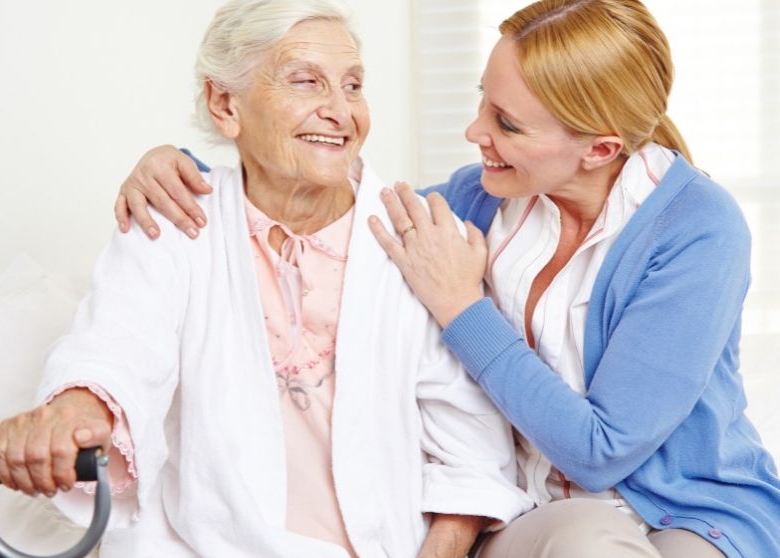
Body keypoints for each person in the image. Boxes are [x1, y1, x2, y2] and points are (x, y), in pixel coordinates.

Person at [114, 0, 780, 557]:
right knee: (584, 545)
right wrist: (179, 167)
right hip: (535, 516)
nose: (473, 133)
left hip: (687, 511)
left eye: (506, 124)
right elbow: (324, 193)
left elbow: (601, 452)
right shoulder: (479, 198)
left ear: (600, 149)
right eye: (482, 104)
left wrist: (462, 307)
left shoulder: (697, 229)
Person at [0, 1, 535, 556]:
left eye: (352, 85)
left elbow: (471, 449)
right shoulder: (172, 226)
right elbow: (117, 347)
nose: (340, 112)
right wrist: (74, 412)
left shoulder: (417, 240)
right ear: (225, 104)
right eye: (306, 82)